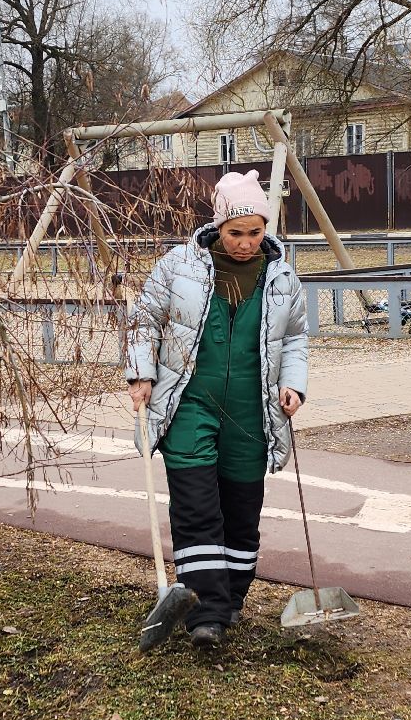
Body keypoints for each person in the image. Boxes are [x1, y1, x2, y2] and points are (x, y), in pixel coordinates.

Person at [126, 169, 308, 649]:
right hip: (189, 402)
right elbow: (143, 319)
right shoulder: (179, 266)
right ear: (218, 226)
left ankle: (230, 599)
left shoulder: (282, 277)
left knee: (241, 510)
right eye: (235, 233)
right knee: (196, 506)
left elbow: (295, 338)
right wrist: (142, 372)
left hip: (251, 410)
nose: (246, 243)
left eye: (255, 232)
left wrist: (293, 385)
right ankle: (205, 613)